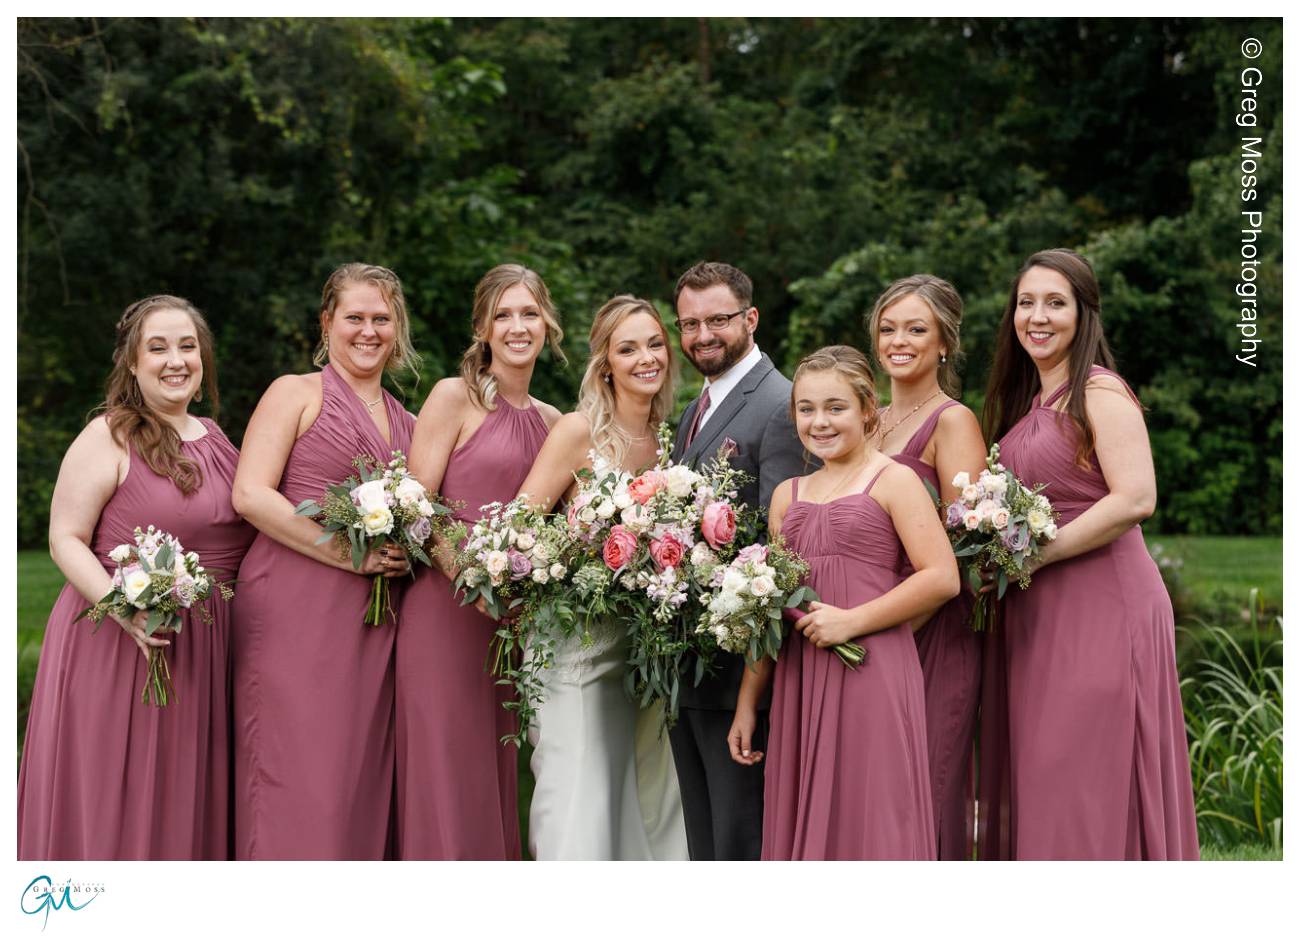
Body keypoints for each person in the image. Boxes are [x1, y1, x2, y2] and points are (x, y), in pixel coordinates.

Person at [979, 248, 1199, 860]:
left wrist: (1035, 556)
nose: (1038, 317)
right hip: (1040, 615)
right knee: (1047, 775)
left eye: (1056, 303)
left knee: (1085, 775)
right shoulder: (1030, 404)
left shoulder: (1099, 390)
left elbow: (1136, 498)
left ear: (1084, 314)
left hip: (1105, 604)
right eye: (1027, 303)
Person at [19, 295, 253, 860]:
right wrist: (123, 609)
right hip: (125, 645)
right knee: (120, 796)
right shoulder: (109, 436)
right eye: (158, 347)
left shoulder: (219, 440)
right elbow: (64, 538)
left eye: (188, 346)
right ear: (131, 363)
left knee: (187, 802)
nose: (176, 360)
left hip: (209, 651)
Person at [728, 345, 957, 859]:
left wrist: (852, 622)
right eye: (806, 409)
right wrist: (747, 703)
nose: (820, 421)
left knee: (874, 816)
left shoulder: (895, 479)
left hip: (873, 671)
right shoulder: (788, 494)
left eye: (836, 407)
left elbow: (942, 577)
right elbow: (771, 608)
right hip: (801, 680)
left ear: (867, 410)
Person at [231, 263, 419, 860]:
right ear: (327, 323)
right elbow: (251, 494)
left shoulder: (409, 422)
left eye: (381, 319)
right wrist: (346, 554)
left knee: (352, 775)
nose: (368, 331)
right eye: (354, 318)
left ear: (398, 327)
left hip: (371, 622)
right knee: (294, 769)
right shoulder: (295, 392)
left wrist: (403, 554)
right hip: (292, 605)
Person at [394, 264, 564, 859]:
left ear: (547, 323)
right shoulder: (453, 397)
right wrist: (470, 573)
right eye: (503, 315)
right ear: (482, 328)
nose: (518, 327)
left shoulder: (551, 422)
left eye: (529, 313)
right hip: (446, 609)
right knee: (444, 765)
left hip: (512, 619)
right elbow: (418, 504)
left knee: (494, 766)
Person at [513, 294, 688, 860]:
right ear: (604, 362)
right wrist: (578, 560)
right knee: (578, 795)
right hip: (576, 649)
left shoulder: (672, 438)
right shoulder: (577, 431)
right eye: (628, 348)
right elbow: (518, 530)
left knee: (644, 796)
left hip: (642, 652)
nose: (646, 358)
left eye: (655, 344)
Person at [667, 261, 810, 860]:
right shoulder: (695, 407)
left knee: (738, 842)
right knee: (706, 843)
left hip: (737, 672)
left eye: (718, 320)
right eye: (690, 323)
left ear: (750, 318)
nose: (703, 335)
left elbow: (780, 554)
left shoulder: (780, 405)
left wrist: (753, 688)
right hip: (690, 665)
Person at [867, 275, 986, 859]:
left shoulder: (953, 423)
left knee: (927, 792)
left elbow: (966, 549)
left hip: (933, 630)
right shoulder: (869, 420)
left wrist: (890, 626)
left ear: (945, 343)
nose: (899, 341)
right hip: (872, 625)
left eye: (917, 329)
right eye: (888, 329)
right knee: (878, 797)